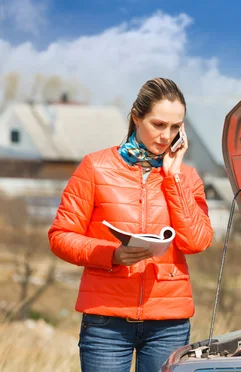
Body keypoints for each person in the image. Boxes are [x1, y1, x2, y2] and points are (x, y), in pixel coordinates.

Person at [48, 77, 213, 372]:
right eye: (159, 124)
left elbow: (196, 242)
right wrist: (111, 254)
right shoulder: (95, 168)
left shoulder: (187, 177)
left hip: (168, 324)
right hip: (106, 323)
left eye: (176, 127)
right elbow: (61, 235)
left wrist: (173, 177)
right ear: (136, 117)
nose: (167, 136)